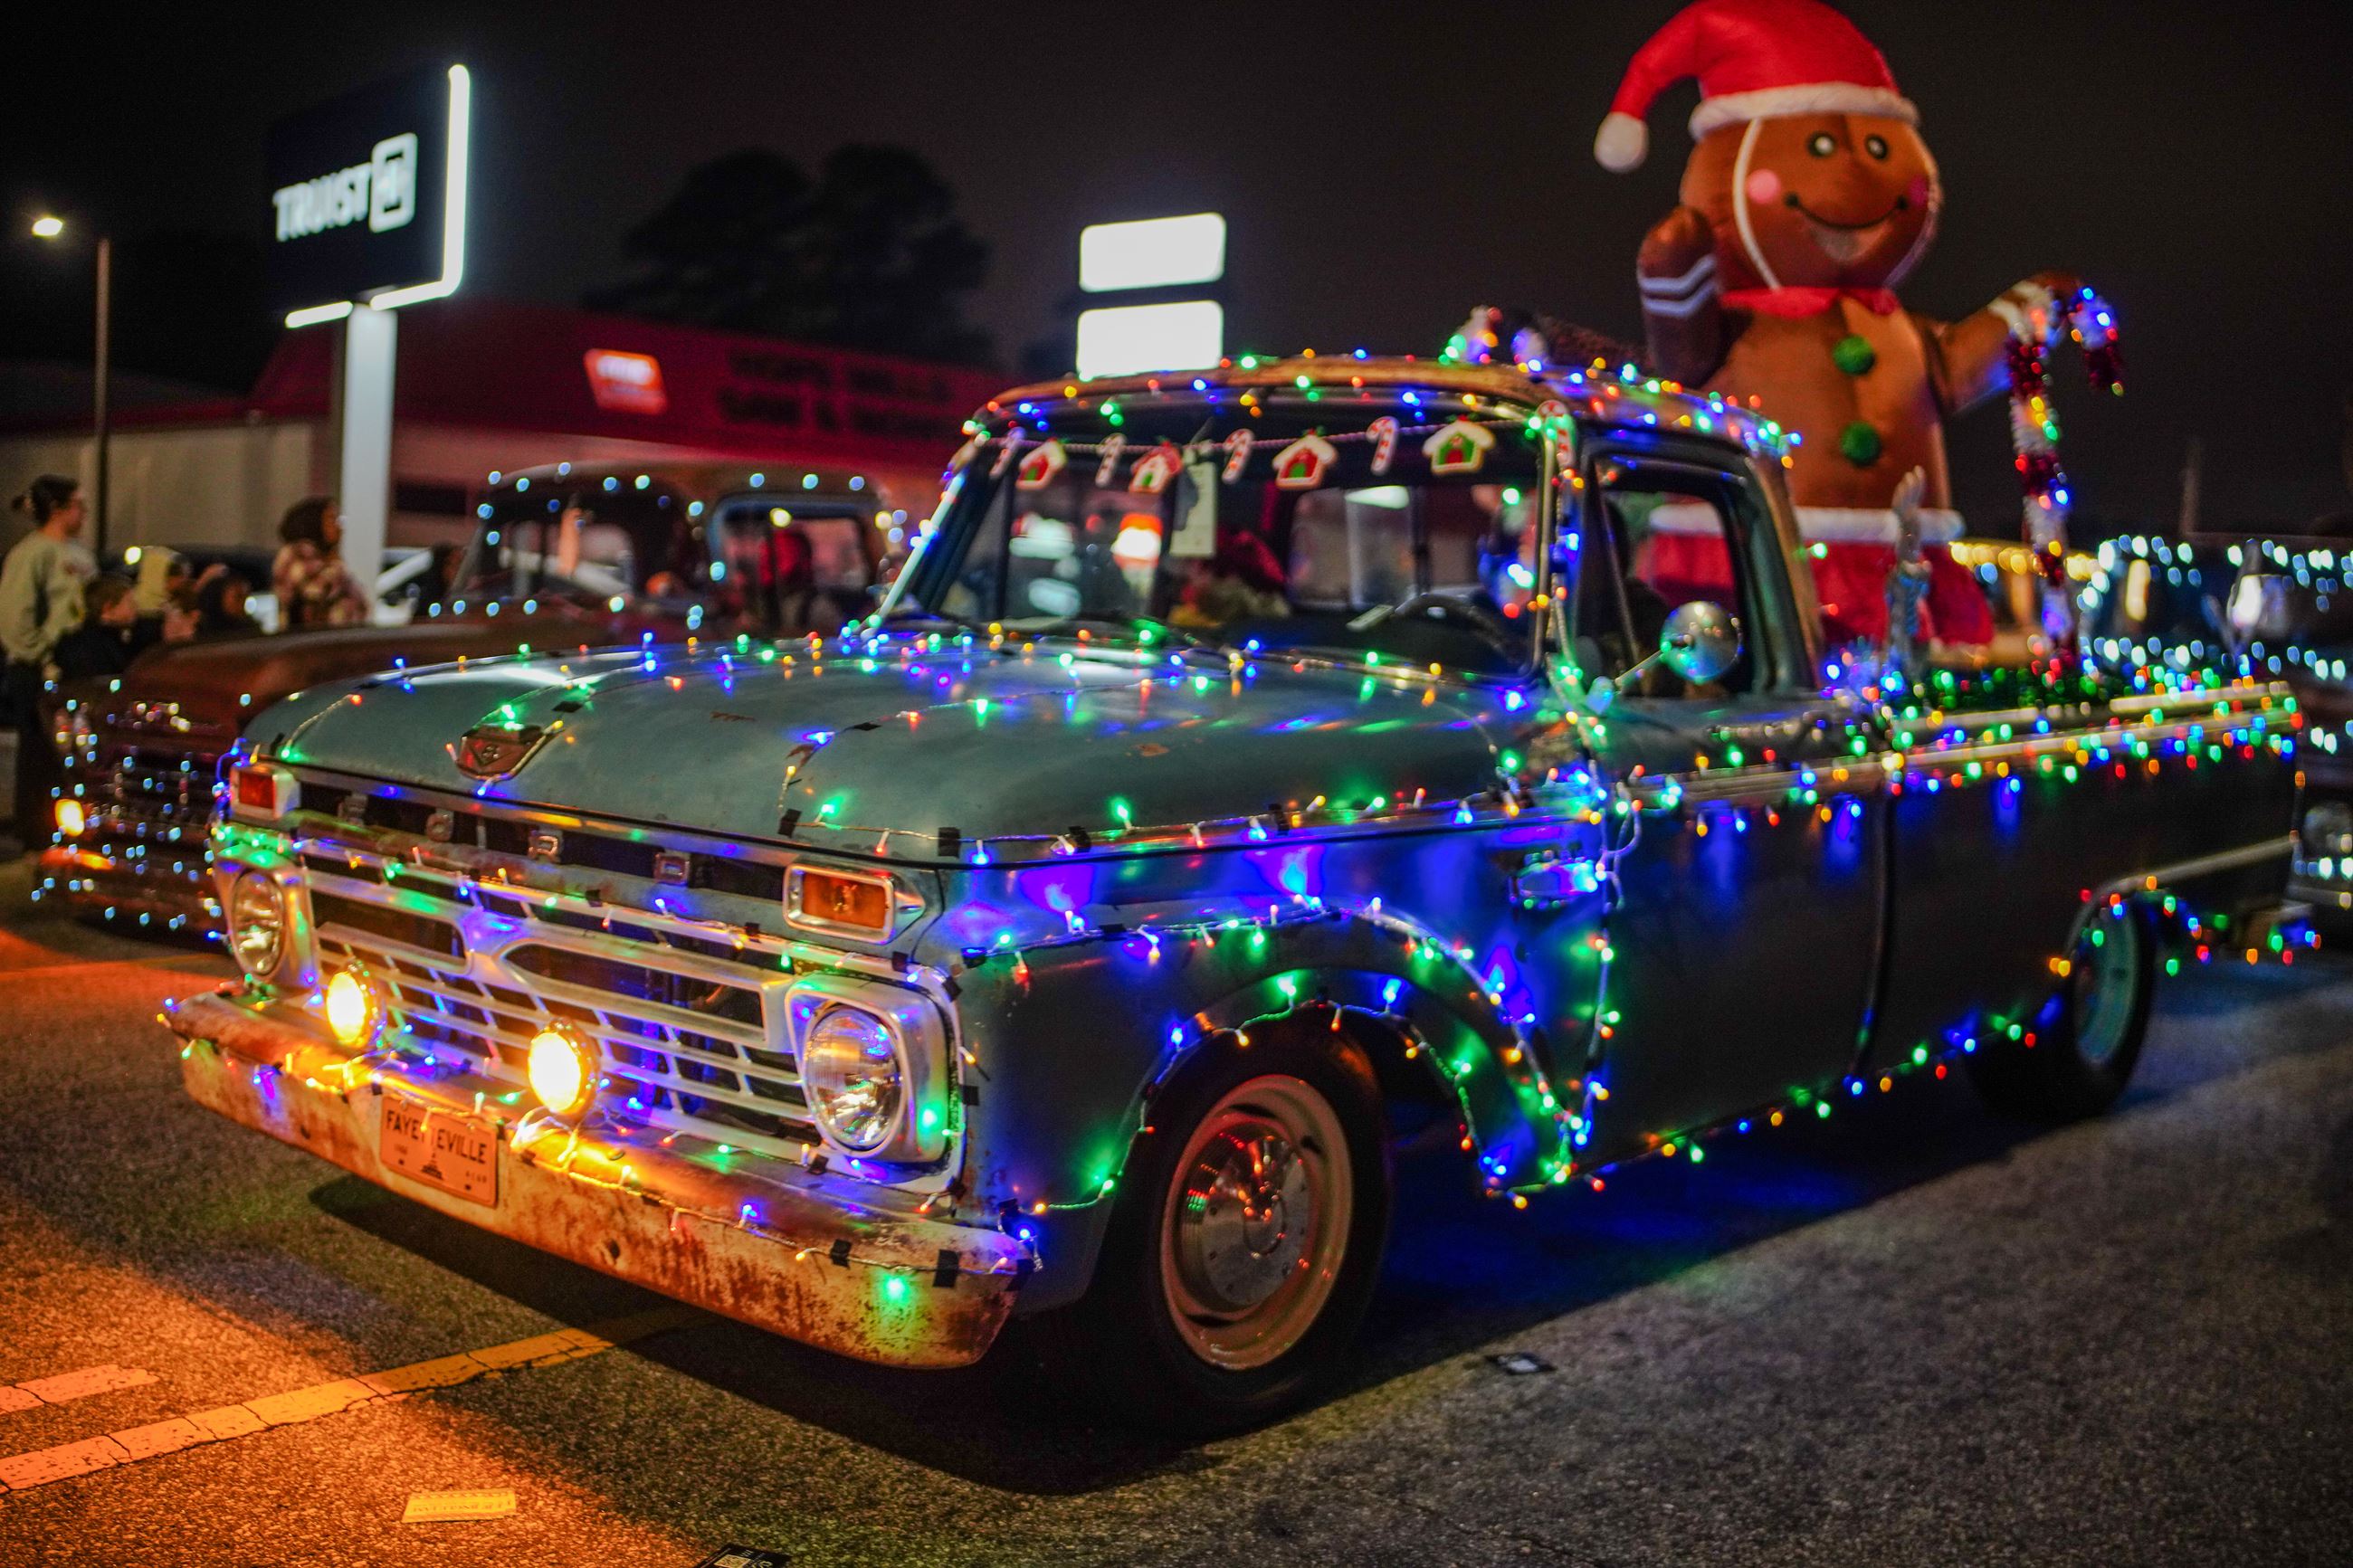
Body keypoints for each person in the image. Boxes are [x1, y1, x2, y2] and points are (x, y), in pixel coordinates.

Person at [3, 476, 93, 843]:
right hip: (40, 669)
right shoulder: (31, 555)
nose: (84, 513)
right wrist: (41, 655)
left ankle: (69, 827)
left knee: (72, 755)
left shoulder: (79, 554)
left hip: (75, 665)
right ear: (58, 509)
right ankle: (36, 834)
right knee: (40, 755)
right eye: (79, 505)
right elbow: (15, 618)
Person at [272, 496, 367, 630]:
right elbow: (317, 591)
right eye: (332, 519)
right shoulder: (293, 555)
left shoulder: (328, 559)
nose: (339, 527)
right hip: (308, 639)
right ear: (314, 521)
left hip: (340, 637)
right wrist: (335, 565)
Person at [50, 574, 150, 679]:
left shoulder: (78, 641)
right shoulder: (96, 647)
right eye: (129, 603)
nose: (136, 607)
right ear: (108, 608)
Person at [191, 566, 263, 638]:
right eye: (238, 597)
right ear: (217, 598)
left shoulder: (251, 631)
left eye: (246, 597)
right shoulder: (199, 632)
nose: (244, 603)